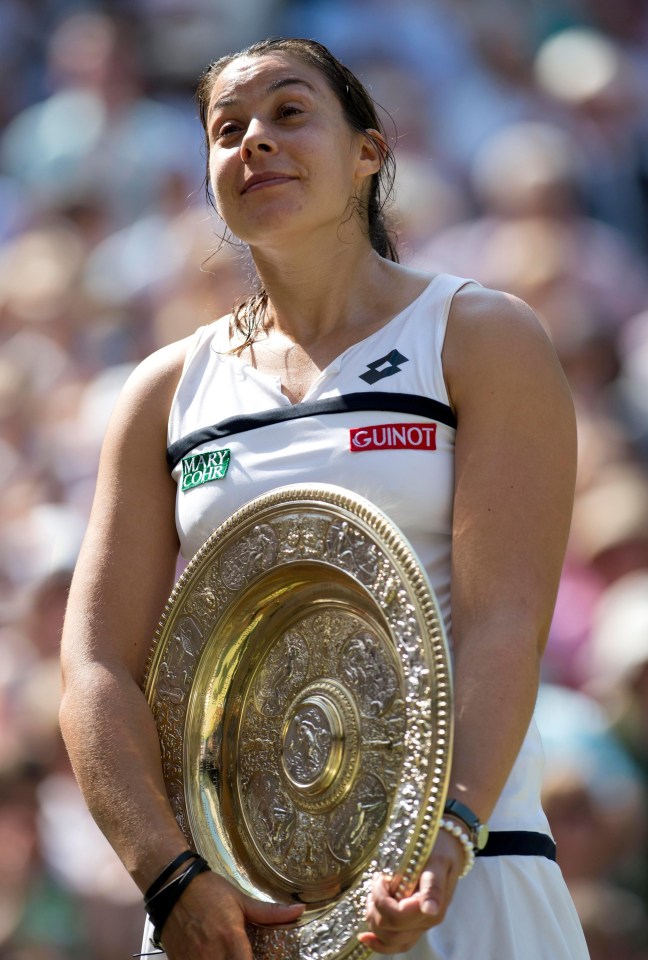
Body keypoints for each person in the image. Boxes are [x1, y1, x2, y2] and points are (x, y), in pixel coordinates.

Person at [59, 37, 590, 960]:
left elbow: (505, 621)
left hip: (463, 874)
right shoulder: (162, 392)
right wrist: (168, 875)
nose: (254, 141)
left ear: (370, 153)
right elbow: (96, 666)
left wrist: (452, 834)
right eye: (228, 131)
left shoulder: (481, 336)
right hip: (231, 913)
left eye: (289, 113)